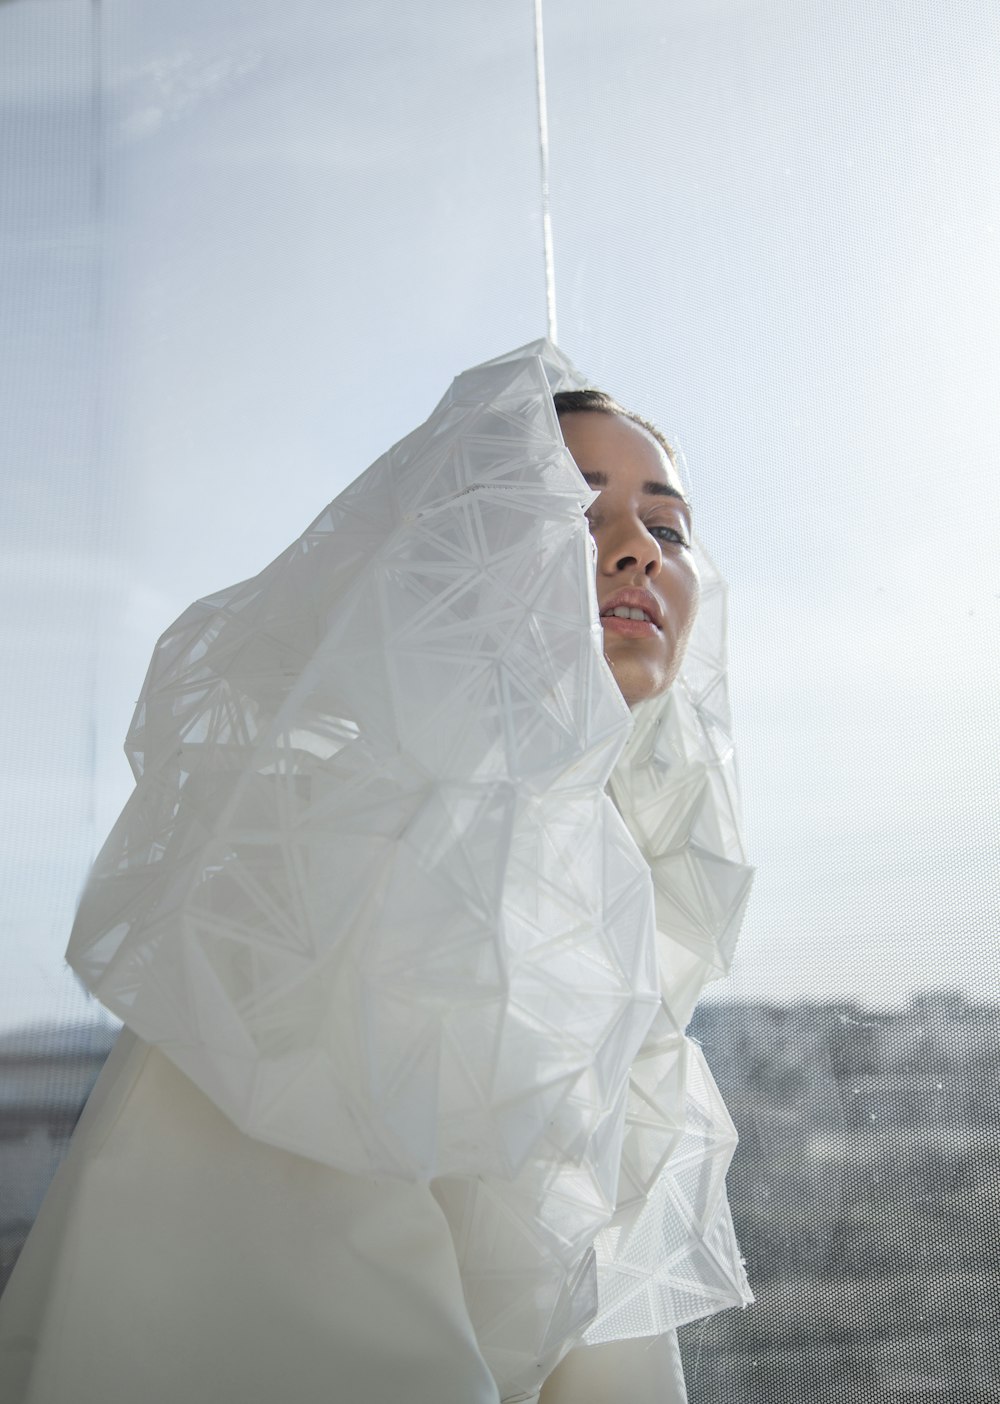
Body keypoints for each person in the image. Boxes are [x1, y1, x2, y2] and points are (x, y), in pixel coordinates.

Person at [0, 341, 751, 1404]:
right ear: (455, 564)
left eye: (668, 528)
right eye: (575, 514)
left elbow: (599, 1338)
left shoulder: (587, 890)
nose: (637, 550)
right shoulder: (326, 878)